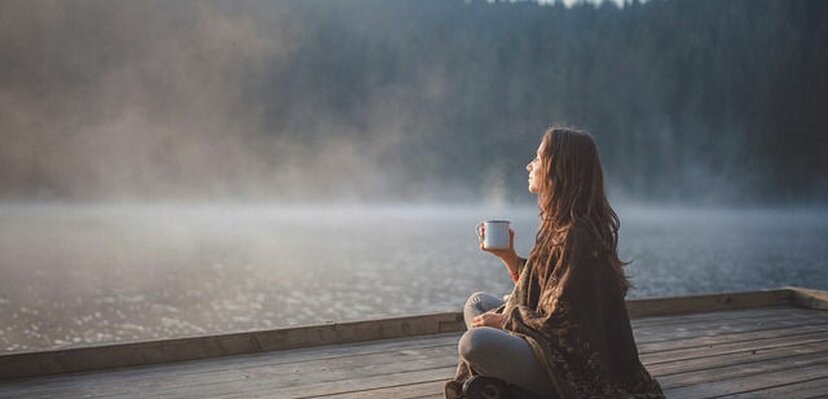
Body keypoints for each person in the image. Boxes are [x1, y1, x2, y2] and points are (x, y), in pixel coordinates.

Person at [444, 126, 666, 399]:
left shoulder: (578, 236)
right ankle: (510, 384)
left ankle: (522, 389)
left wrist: (505, 322)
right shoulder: (560, 225)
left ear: (557, 169)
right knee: (477, 303)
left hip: (572, 367)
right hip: (543, 342)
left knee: (474, 343)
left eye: (537, 158)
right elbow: (545, 293)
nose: (529, 165)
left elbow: (562, 325)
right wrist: (509, 258)